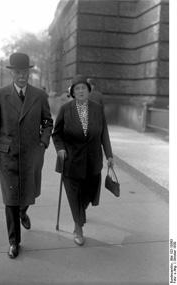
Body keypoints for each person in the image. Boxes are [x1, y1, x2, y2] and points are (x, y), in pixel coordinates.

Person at [0, 52, 53, 259]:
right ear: (11, 74)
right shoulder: (0, 94)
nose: (21, 76)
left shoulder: (39, 95)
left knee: (29, 193)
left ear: (29, 73)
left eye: (25, 72)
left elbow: (48, 122)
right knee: (10, 199)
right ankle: (14, 242)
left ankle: (23, 211)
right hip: (9, 155)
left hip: (32, 154)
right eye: (17, 72)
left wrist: (43, 141)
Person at [52, 74, 114, 246]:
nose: (80, 91)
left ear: (89, 91)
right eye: (77, 89)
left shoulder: (97, 108)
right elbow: (56, 134)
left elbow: (104, 133)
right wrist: (60, 148)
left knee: (89, 193)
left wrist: (109, 155)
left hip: (93, 161)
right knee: (75, 196)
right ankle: (78, 228)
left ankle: (79, 216)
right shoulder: (66, 109)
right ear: (72, 92)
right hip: (71, 160)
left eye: (83, 88)